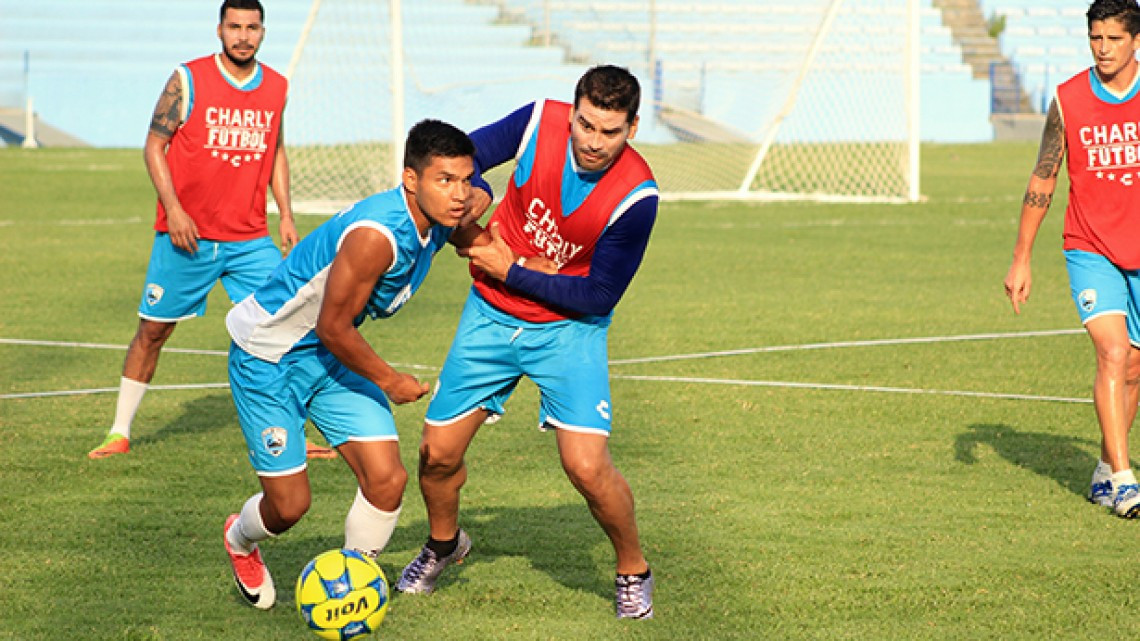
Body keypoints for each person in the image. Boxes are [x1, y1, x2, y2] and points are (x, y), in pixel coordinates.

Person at [396, 65, 659, 619]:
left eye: (609, 132)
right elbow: (465, 158)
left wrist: (512, 268)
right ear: (572, 111)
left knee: (587, 467)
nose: (592, 141)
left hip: (569, 330)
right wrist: (479, 195)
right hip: (490, 318)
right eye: (585, 124)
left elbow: (599, 295)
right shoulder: (539, 120)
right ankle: (445, 545)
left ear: (632, 128)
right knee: (436, 455)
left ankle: (633, 568)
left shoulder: (637, 195)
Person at [221, 119, 492, 610]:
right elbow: (333, 326)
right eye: (444, 180)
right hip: (270, 357)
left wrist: (496, 223)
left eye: (465, 179)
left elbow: (473, 234)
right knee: (289, 507)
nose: (458, 194)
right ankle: (240, 540)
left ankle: (348, 588)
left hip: (326, 357)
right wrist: (390, 380)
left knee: (387, 480)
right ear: (410, 179)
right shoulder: (376, 238)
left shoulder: (438, 216)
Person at [88, 0, 334, 460]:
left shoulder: (277, 86)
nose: (243, 35)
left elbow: (276, 150)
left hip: (249, 239)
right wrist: (175, 211)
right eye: (235, 26)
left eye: (252, 27)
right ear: (219, 30)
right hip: (187, 237)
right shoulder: (187, 78)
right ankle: (119, 432)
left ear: (263, 31)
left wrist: (286, 213)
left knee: (289, 327)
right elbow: (154, 146)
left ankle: (297, 430)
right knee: (153, 331)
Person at [1004, 0, 1140, 518]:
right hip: (1089, 246)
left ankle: (1107, 467)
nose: (1103, 49)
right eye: (1095, 39)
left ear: (1136, 41)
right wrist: (1022, 258)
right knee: (1111, 353)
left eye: (1114, 39)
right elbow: (1044, 176)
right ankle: (1126, 482)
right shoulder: (1068, 100)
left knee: (1132, 370)